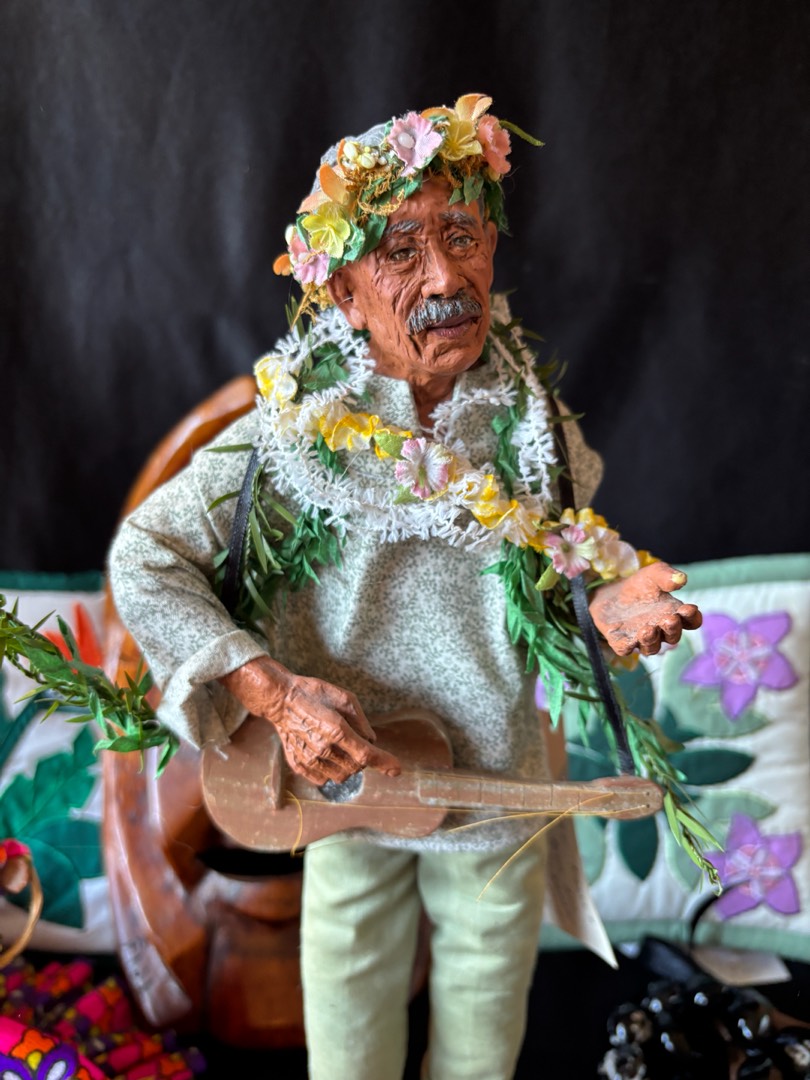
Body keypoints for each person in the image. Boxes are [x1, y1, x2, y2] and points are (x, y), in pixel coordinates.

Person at [109, 94, 701, 1080]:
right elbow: (146, 555)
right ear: (343, 292)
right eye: (399, 252)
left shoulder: (530, 422)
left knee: (484, 1028)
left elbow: (567, 552)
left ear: (493, 250)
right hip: (347, 780)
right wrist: (273, 694)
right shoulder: (291, 436)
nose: (444, 278)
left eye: (462, 236)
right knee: (347, 1025)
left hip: (497, 785)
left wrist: (609, 601)